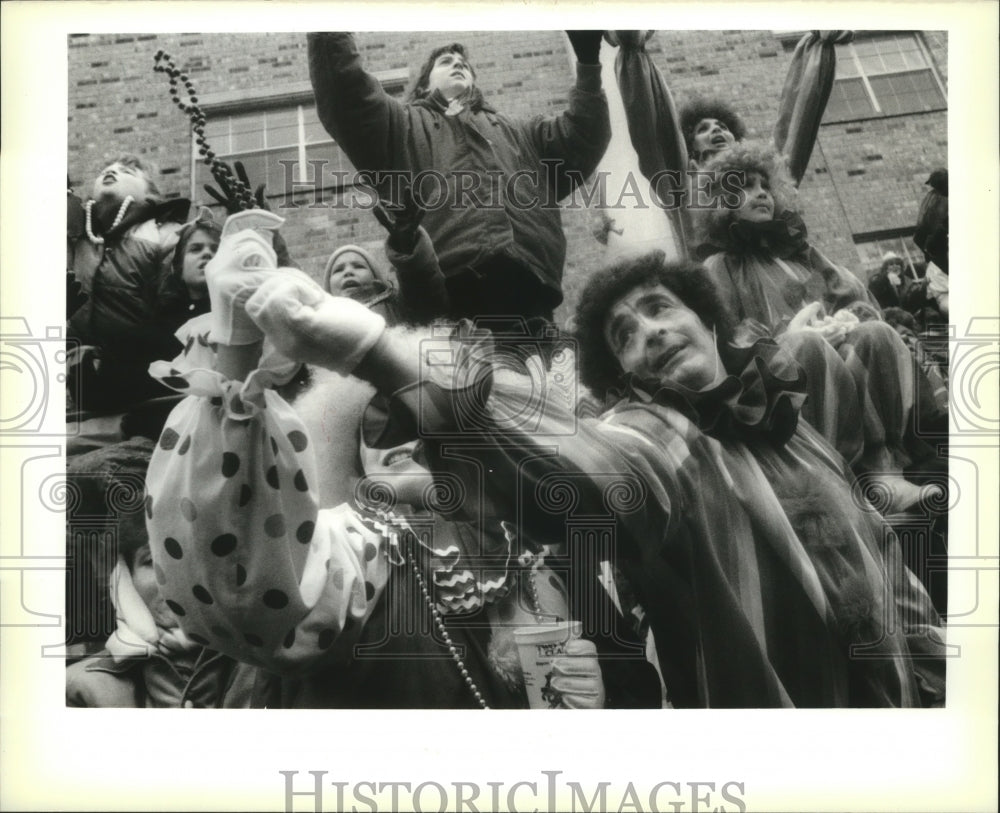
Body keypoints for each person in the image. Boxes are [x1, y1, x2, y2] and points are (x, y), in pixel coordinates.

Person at [241, 250, 946, 709]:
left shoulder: (799, 430)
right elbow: (582, 477)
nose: (650, 331)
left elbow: (885, 561)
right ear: (628, 377)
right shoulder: (661, 436)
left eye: (659, 307)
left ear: (707, 315)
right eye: (623, 333)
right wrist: (379, 352)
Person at [143, 216, 656, 708]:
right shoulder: (355, 550)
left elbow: (640, 687)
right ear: (350, 452)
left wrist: (597, 711)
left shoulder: (542, 555)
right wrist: (236, 354)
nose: (408, 436)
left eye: (427, 419)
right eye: (377, 419)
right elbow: (239, 584)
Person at [695, 145, 945, 510]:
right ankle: (834, 480)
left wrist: (847, 319)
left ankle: (883, 471)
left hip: (842, 360)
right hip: (779, 383)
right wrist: (787, 336)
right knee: (805, 347)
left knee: (876, 334)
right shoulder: (720, 266)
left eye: (765, 185)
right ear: (722, 202)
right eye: (745, 186)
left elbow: (857, 300)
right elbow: (726, 340)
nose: (761, 192)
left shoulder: (801, 254)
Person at [307, 31, 610, 326]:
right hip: (448, 303)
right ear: (424, 86)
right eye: (446, 61)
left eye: (464, 63)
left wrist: (588, 65)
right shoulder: (401, 126)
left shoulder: (523, 133)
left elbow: (584, 136)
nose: (458, 64)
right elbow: (348, 95)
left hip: (532, 298)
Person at [65, 437, 253, 707]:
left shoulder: (274, 671)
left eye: (191, 555)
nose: (174, 578)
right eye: (152, 560)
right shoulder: (81, 690)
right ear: (123, 578)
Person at [67, 155, 191, 413]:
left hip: (142, 371)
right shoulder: (77, 233)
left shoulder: (165, 234)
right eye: (105, 171)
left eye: (126, 172)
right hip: (78, 371)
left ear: (150, 194)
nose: (111, 172)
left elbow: (174, 304)